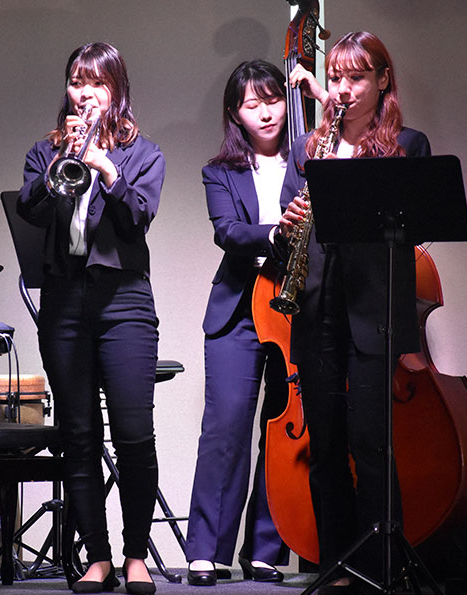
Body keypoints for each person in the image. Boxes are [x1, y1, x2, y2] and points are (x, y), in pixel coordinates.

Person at [276, 31, 431, 591]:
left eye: (356, 77)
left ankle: (380, 570)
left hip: (372, 310)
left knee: (370, 444)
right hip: (317, 307)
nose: (342, 89)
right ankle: (335, 567)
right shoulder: (310, 147)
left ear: (383, 80)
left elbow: (417, 230)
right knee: (325, 447)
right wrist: (286, 226)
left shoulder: (406, 147)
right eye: (336, 78)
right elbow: (286, 238)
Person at [16, 41, 165, 595]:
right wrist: (63, 161)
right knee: (78, 435)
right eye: (77, 82)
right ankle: (97, 557)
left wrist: (106, 168)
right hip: (65, 301)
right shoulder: (46, 151)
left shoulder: (142, 154)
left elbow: (136, 219)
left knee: (133, 434)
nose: (85, 93)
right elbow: (29, 208)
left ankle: (135, 557)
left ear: (116, 90)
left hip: (124, 301)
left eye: (97, 83)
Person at [183, 59, 325, 587]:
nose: (265, 112)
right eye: (252, 104)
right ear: (234, 114)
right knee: (224, 429)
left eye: (273, 100)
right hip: (239, 307)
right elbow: (227, 231)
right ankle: (206, 551)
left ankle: (266, 548)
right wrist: (275, 232)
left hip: (297, 305)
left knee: (283, 431)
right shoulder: (219, 170)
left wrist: (322, 96)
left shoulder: (312, 156)